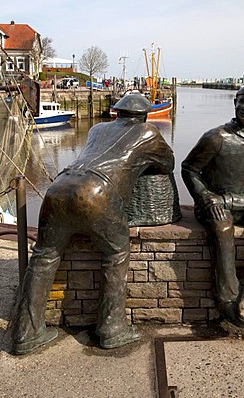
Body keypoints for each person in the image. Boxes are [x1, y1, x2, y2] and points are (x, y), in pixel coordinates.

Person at [12, 94, 174, 354]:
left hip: (58, 188)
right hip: (96, 192)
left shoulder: (97, 129)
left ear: (117, 112)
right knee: (116, 253)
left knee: (42, 257)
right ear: (143, 115)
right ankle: (112, 328)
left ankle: (26, 334)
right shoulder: (148, 131)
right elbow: (168, 164)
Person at [181, 85, 244, 327]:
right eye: (243, 102)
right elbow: (189, 169)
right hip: (211, 205)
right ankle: (226, 298)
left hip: (241, 204)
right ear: (235, 102)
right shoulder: (216, 137)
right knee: (223, 227)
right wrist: (206, 197)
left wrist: (226, 200)